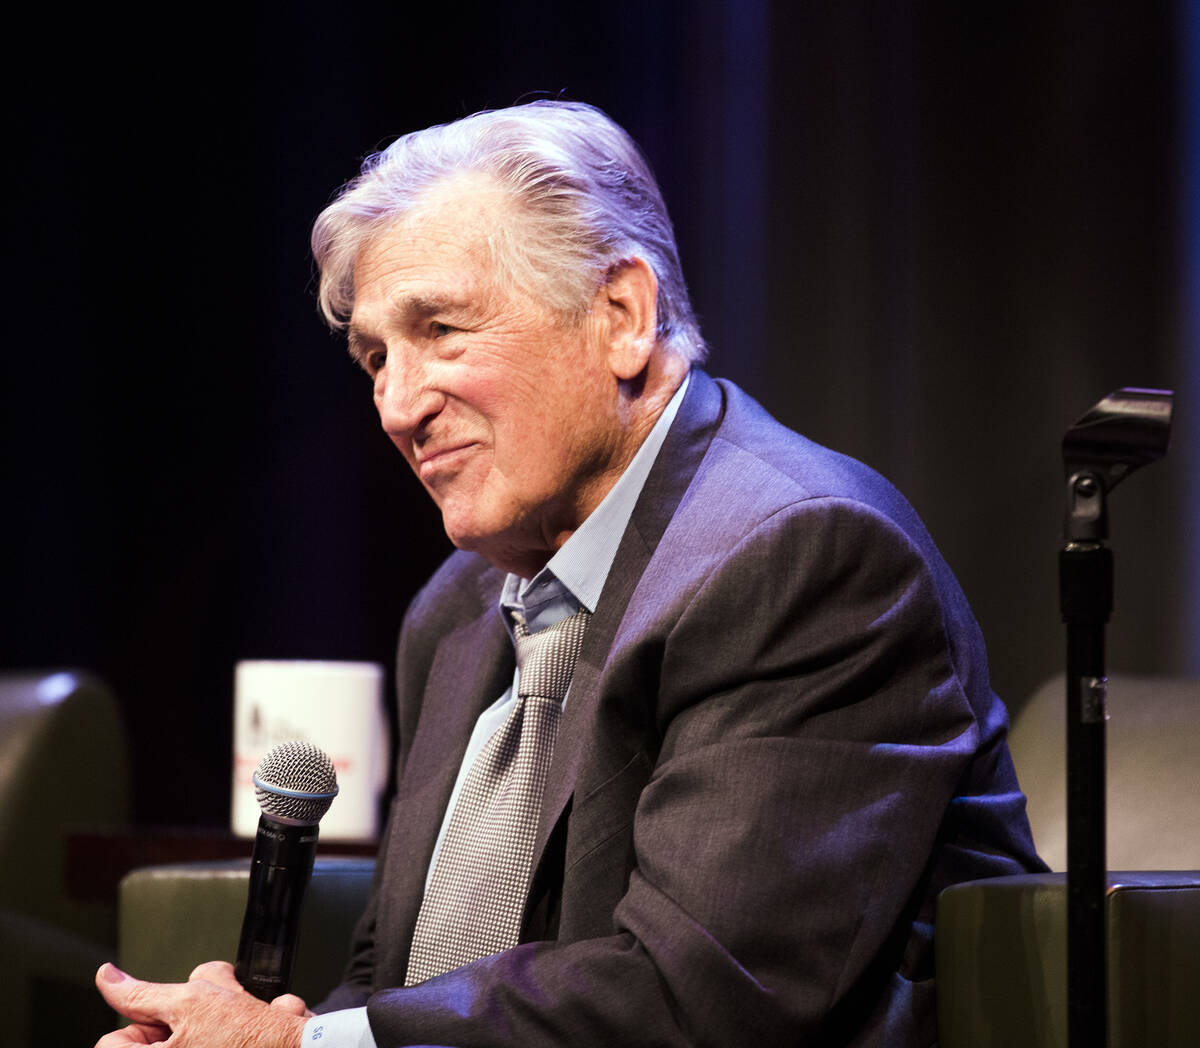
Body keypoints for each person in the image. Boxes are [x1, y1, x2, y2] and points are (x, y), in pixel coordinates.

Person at [95, 100, 1044, 1047]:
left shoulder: (806, 558)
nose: (395, 405)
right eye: (375, 356)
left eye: (442, 330)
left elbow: (702, 997)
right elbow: (395, 977)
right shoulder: (458, 611)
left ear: (621, 315)